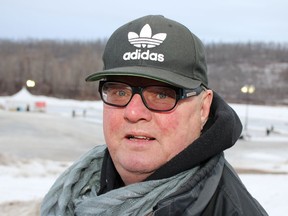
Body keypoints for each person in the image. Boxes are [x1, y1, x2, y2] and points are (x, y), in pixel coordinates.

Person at [41, 15, 268, 215]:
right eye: (119, 92)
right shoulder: (74, 191)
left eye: (162, 95)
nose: (133, 112)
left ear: (203, 109)